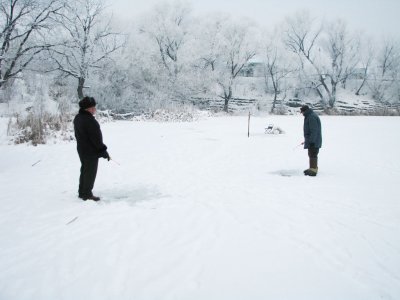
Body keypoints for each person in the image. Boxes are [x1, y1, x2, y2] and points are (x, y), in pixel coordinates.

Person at [73, 96, 110, 201]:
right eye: (93, 107)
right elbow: (96, 139)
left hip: (81, 149)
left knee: (84, 170)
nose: (95, 109)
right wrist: (103, 151)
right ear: (88, 108)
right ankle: (87, 194)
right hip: (90, 151)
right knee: (90, 172)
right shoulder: (90, 121)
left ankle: (82, 192)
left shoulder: (78, 118)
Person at [300, 105, 322, 176]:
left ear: (304, 111)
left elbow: (314, 130)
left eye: (302, 112)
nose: (302, 114)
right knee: (311, 154)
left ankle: (313, 170)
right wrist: (307, 140)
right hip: (312, 140)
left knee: (313, 154)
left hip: (314, 141)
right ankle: (312, 168)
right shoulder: (309, 115)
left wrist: (312, 141)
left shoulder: (311, 117)